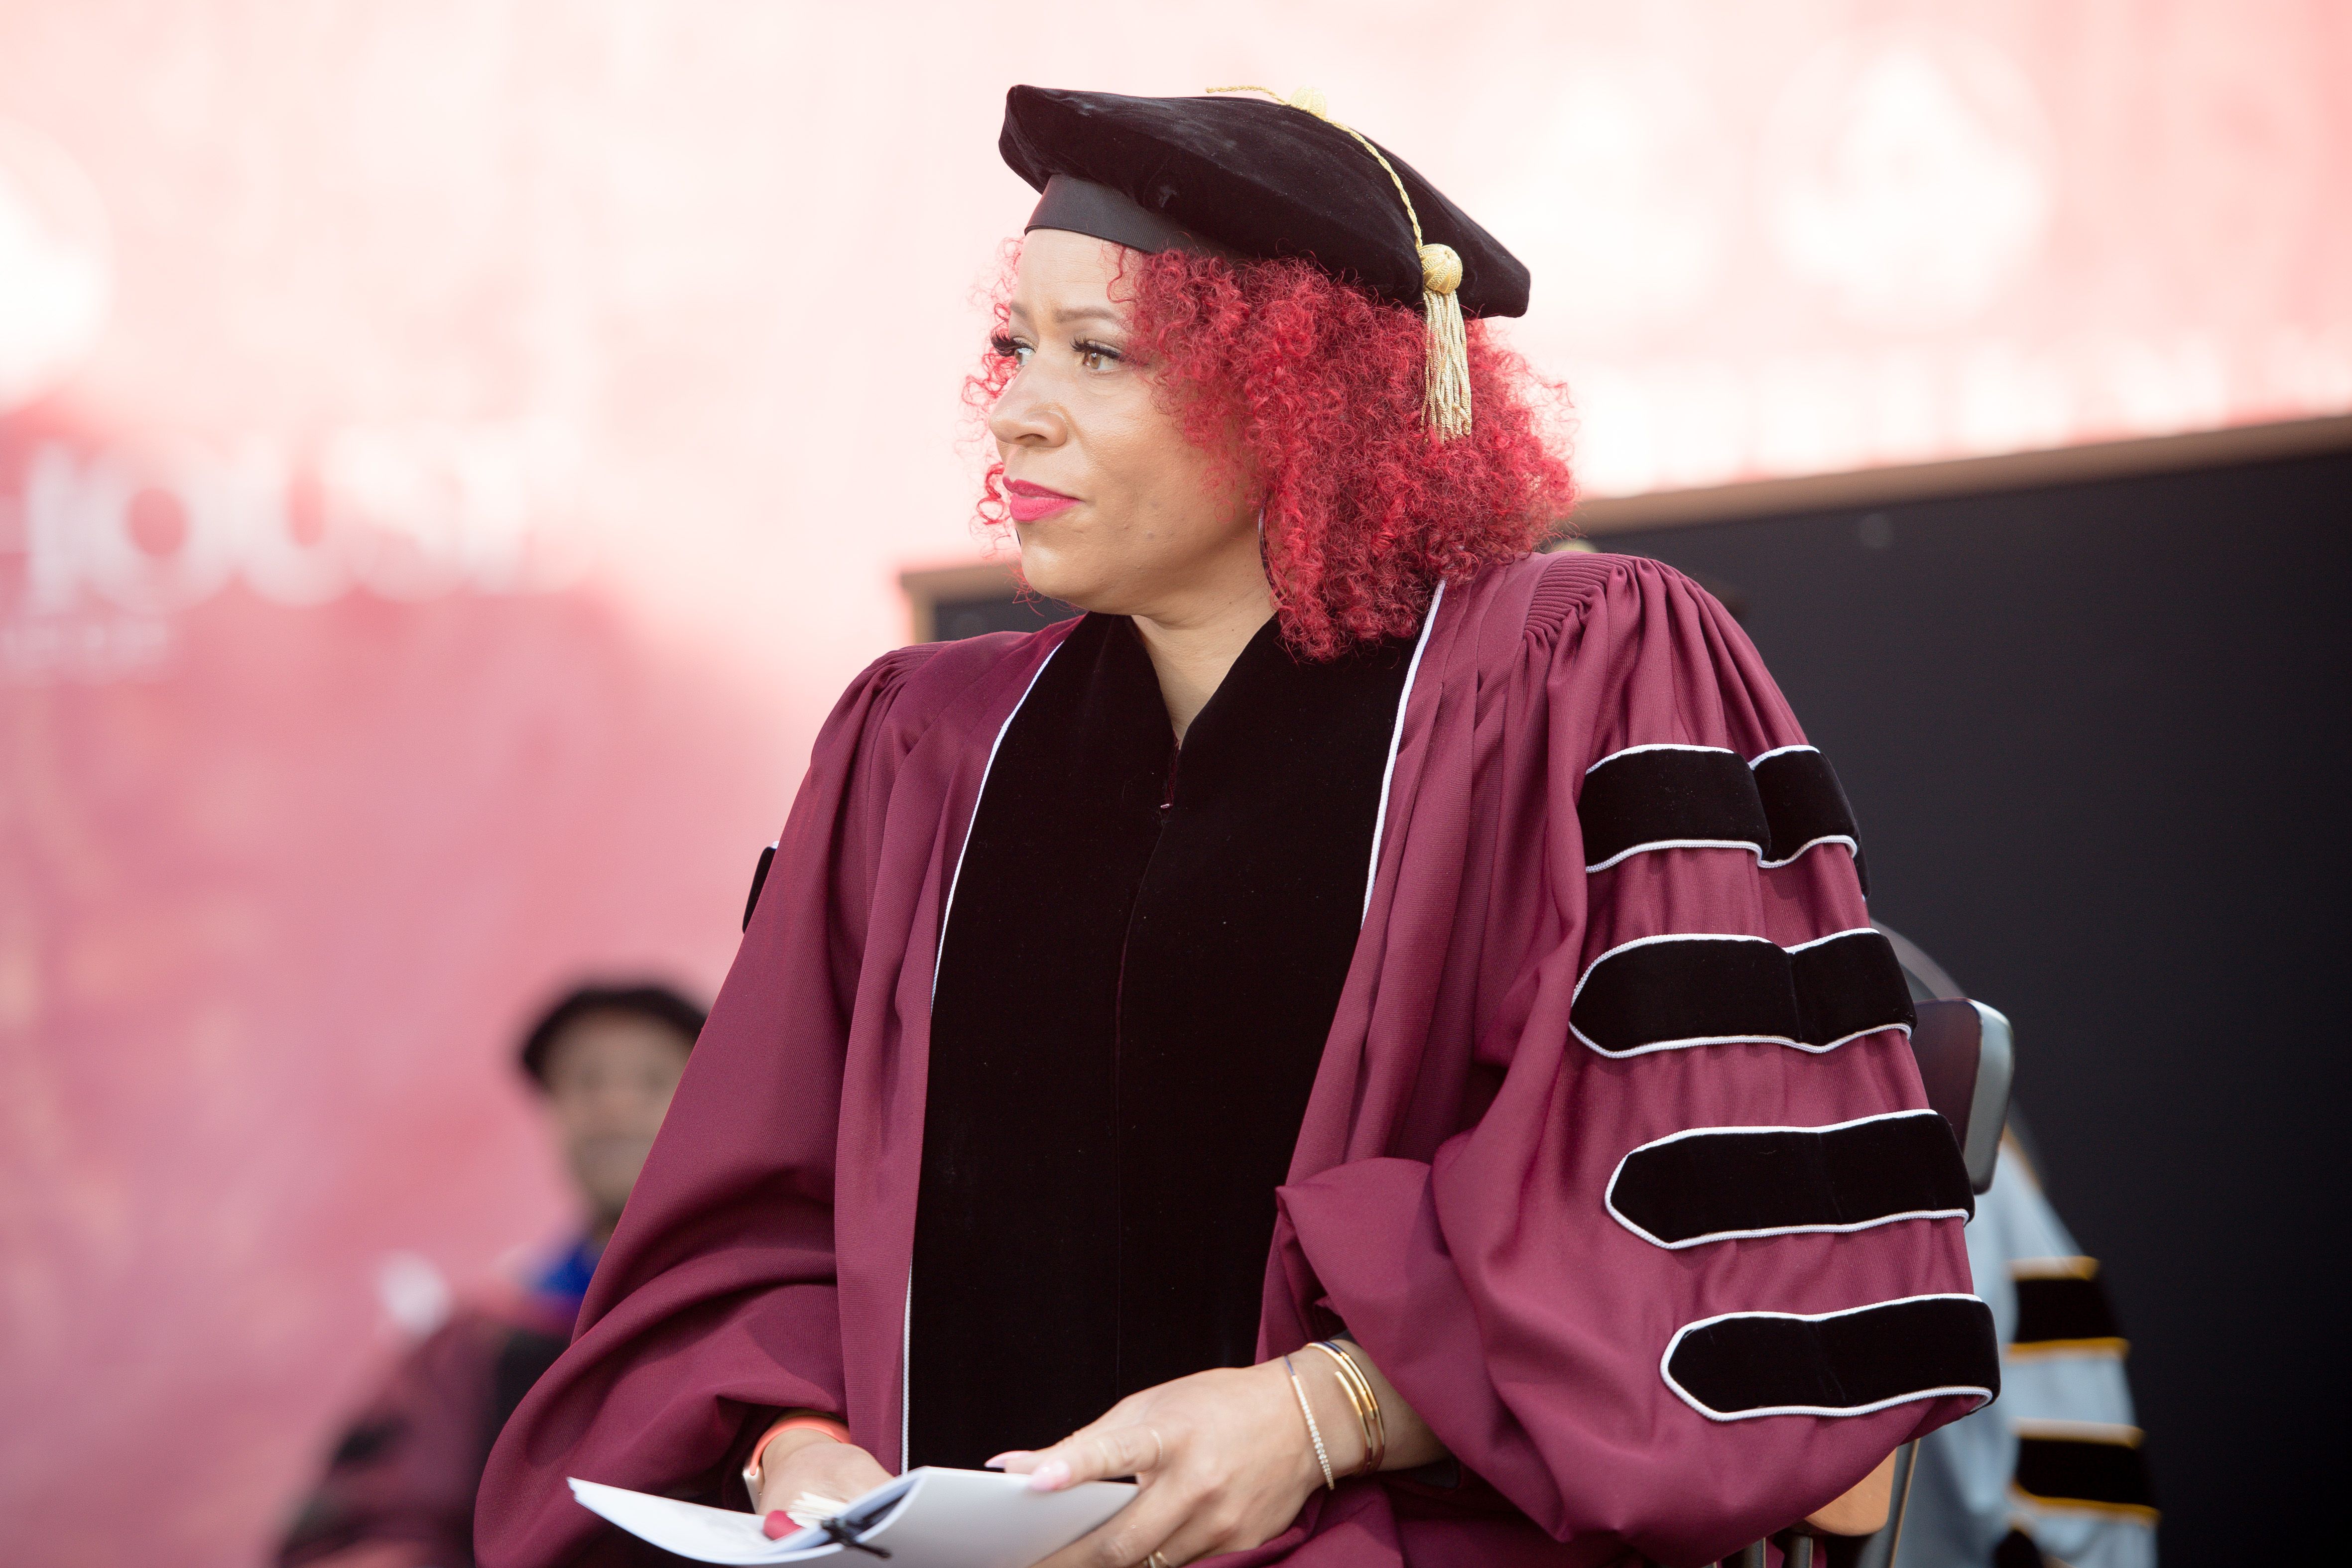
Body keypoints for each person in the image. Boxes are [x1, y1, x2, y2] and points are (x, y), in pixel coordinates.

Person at [478, 86, 1999, 1568]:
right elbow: (756, 1212)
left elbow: (1706, 1216)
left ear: (1299, 398)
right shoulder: (923, 748)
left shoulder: (1570, 670)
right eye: (1012, 343)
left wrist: (1321, 1408)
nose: (1012, 403)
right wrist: (792, 1436)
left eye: (1097, 353)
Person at [279, 983, 705, 1568]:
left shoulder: (762, 1312)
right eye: (585, 1082)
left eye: (654, 1080)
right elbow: (375, 1520)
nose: (614, 1104)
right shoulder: (476, 1341)